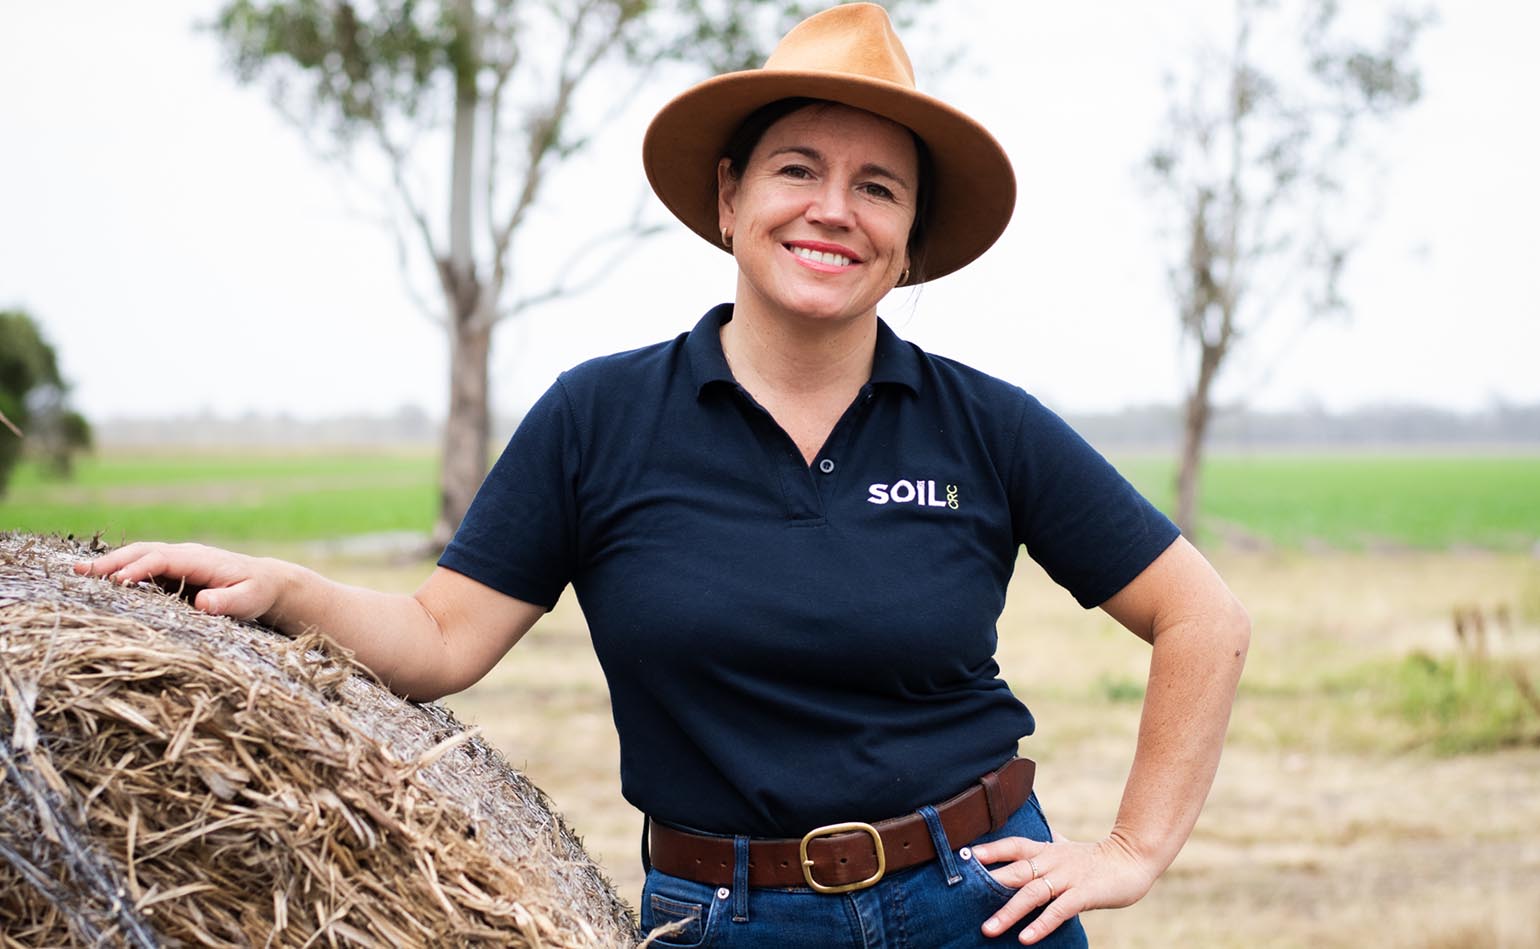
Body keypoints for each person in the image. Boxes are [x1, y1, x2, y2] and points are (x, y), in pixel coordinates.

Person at [77, 5, 1249, 946]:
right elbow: (439, 637)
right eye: (798, 169)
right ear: (731, 196)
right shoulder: (601, 417)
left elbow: (1201, 616)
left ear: (909, 237)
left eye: (877, 186)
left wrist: (1130, 851)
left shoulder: (985, 425)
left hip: (974, 908)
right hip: (724, 919)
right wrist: (283, 590)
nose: (832, 210)